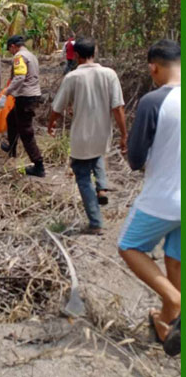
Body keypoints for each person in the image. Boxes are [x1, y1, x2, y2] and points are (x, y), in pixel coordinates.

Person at [117, 40, 180, 356]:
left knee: (128, 246)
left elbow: (136, 158)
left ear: (153, 67)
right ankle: (167, 324)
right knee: (175, 258)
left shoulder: (154, 101)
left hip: (164, 198)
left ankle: (174, 302)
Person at [48, 38, 126, 235]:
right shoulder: (109, 74)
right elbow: (118, 107)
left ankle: (96, 221)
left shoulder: (73, 77)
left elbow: (57, 107)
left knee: (82, 175)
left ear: (75, 55)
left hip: (81, 137)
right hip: (102, 133)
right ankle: (102, 188)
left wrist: (52, 123)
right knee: (98, 155)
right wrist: (124, 134)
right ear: (95, 51)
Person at [0, 35, 44, 177]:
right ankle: (11, 149)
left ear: (13, 46)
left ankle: (38, 165)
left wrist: (6, 92)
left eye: (10, 49)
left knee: (26, 132)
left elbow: (19, 77)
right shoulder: (31, 55)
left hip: (26, 97)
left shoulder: (19, 57)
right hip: (30, 95)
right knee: (11, 119)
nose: (11, 52)